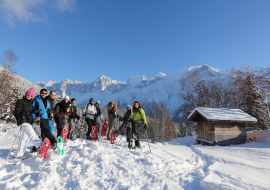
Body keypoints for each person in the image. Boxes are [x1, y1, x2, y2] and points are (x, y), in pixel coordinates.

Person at [13, 88, 43, 159]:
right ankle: (39, 144)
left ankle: (18, 154)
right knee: (31, 132)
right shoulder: (20, 101)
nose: (29, 96)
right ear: (25, 94)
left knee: (25, 138)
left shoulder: (31, 103)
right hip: (22, 120)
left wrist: (37, 116)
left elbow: (34, 111)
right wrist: (20, 118)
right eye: (28, 94)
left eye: (31, 95)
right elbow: (16, 112)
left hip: (29, 121)